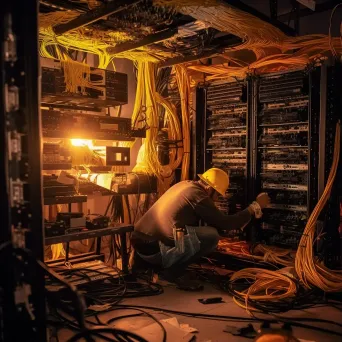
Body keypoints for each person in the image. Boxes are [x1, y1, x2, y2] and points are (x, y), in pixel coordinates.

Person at [131, 168, 270, 290]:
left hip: (140, 245)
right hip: (154, 249)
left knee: (191, 233)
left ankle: (150, 267)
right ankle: (171, 273)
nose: (216, 200)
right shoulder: (198, 195)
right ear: (210, 189)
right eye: (217, 195)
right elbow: (226, 223)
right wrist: (254, 207)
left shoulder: (185, 185)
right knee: (211, 236)